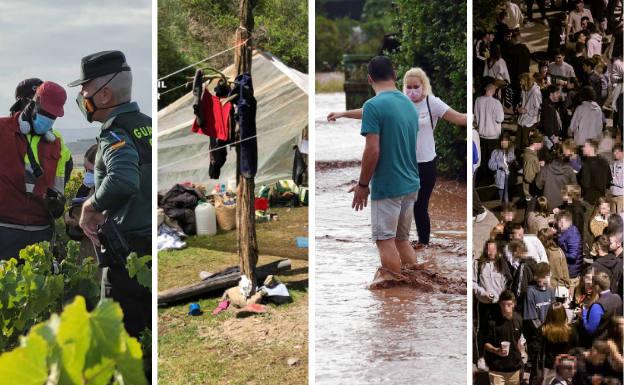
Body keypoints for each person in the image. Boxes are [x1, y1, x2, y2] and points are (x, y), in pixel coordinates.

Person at [327, 67, 467, 248]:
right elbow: (369, 111)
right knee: (401, 202)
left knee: (420, 205)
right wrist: (343, 114)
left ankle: (423, 245)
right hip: (405, 161)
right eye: (408, 87)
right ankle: (401, 242)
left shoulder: (432, 103)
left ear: (423, 86)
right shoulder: (401, 102)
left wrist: (478, 116)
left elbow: (460, 117)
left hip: (426, 162)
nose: (412, 91)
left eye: (416, 86)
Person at [69, 50, 152, 339]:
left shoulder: (114, 133)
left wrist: (91, 205)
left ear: (104, 95)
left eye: (85, 87)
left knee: (119, 339)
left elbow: (122, 179)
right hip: (150, 246)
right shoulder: (147, 125)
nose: (81, 95)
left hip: (127, 253)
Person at [348, 56, 419, 280]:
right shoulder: (409, 103)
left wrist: (362, 185)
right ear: (395, 75)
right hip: (411, 183)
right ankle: (415, 288)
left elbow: (373, 150)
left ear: (369, 79)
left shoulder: (372, 106)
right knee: (402, 240)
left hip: (388, 186)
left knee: (384, 240)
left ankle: (395, 298)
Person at [0, 80, 69, 260]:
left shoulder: (57, 145)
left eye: (53, 117)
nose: (48, 119)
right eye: (45, 113)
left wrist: (58, 203)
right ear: (32, 104)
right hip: (4, 229)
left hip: (40, 233)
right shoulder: (2, 129)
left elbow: (58, 185)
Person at [474, 240, 512, 366]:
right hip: (483, 303)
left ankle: (497, 355)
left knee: (498, 329)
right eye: (489, 249)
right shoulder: (478, 264)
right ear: (485, 250)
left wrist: (503, 298)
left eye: (493, 249)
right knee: (482, 330)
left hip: (498, 303)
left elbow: (508, 283)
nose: (491, 252)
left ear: (497, 251)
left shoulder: (502, 264)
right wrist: (482, 293)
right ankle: (481, 358)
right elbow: (473, 282)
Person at [65, 144, 98, 262]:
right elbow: (74, 233)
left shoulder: (113, 193)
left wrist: (80, 221)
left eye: (92, 171)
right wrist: (72, 221)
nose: (87, 174)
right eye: (86, 169)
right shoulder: (84, 189)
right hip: (89, 255)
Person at [484, 290, 524, 385]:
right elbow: (485, 344)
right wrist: (496, 350)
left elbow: (519, 340)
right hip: (497, 370)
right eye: (503, 304)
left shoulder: (519, 319)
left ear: (514, 304)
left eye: (509, 304)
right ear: (499, 304)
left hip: (514, 369)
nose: (506, 308)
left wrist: (522, 351)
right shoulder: (492, 321)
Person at [539, 305, 580, 385]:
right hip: (566, 365)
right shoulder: (572, 330)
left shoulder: (543, 330)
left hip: (549, 367)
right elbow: (576, 349)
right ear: (564, 314)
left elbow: (538, 350)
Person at [475, 80, 505, 185]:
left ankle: (482, 180)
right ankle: (491, 181)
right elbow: (500, 119)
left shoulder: (478, 100)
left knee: (483, 158)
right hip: (493, 136)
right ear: (493, 90)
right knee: (492, 160)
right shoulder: (496, 103)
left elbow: (477, 117)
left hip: (482, 135)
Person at [581, 271, 623, 341]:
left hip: (600, 343)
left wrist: (584, 313)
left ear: (597, 286)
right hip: (615, 340)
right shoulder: (617, 297)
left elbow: (590, 330)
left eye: (593, 285)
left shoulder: (597, 306)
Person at [579, 139, 612, 206]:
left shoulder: (587, 164)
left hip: (589, 201)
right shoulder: (605, 162)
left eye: (585, 146)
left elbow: (585, 184)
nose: (583, 148)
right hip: (601, 199)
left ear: (591, 148)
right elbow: (609, 180)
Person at [537, 228, 570, 292]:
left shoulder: (544, 253)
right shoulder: (559, 251)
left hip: (548, 288)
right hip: (561, 288)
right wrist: (567, 285)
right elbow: (565, 271)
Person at [556, 210, 583, 288]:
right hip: (569, 270)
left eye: (558, 222)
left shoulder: (573, 234)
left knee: (569, 298)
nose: (557, 225)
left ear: (562, 221)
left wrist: (559, 254)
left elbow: (573, 256)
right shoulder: (568, 231)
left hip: (571, 273)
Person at [517, 73, 542, 151]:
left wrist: (526, 111)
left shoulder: (535, 92)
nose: (520, 82)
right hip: (522, 120)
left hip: (530, 122)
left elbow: (538, 108)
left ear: (526, 81)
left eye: (521, 81)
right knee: (519, 143)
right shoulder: (524, 89)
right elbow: (521, 102)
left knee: (526, 144)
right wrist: (519, 108)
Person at [489, 132, 517, 202]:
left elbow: (515, 161)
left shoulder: (512, 150)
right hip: (500, 180)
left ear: (509, 142)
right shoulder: (495, 152)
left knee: (509, 200)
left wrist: (511, 160)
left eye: (505, 141)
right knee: (502, 200)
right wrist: (499, 165)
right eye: (502, 141)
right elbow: (490, 165)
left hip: (510, 179)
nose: (503, 143)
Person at [522, 133, 544, 203]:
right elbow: (529, 176)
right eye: (541, 143)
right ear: (535, 143)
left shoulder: (528, 153)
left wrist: (538, 163)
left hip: (528, 188)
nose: (542, 145)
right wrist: (541, 166)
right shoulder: (532, 157)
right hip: (531, 190)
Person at [610, 144, 623, 213]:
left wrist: (612, 179)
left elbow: (622, 183)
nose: (615, 154)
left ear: (622, 152)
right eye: (614, 152)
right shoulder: (614, 164)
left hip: (621, 197)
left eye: (617, 152)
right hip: (613, 195)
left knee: (620, 219)